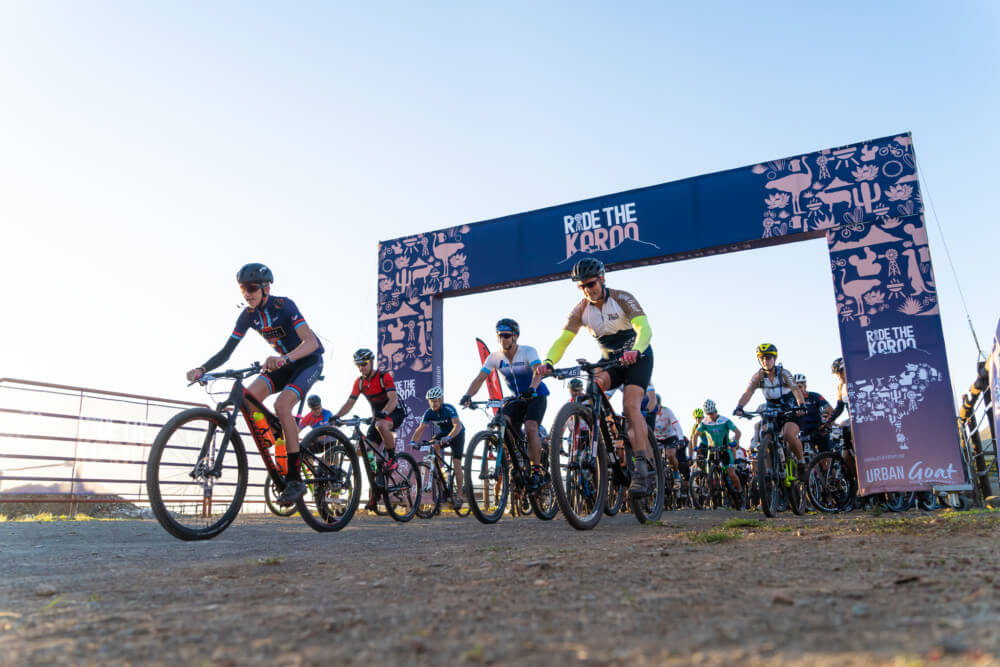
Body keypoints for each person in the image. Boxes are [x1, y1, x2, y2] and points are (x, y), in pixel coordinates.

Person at [186, 263, 323, 506]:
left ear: (266, 288)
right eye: (242, 289)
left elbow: (311, 343)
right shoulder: (248, 316)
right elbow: (227, 351)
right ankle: (281, 435)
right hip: (282, 364)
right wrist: (202, 369)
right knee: (248, 399)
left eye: (251, 288)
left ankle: (294, 480)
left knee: (282, 405)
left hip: (306, 361)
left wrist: (285, 358)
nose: (247, 294)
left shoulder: (284, 306)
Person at [537, 257, 656, 498]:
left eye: (590, 284)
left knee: (630, 405)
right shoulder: (581, 310)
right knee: (593, 390)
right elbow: (563, 340)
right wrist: (549, 361)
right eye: (581, 286)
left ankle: (644, 468)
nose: (587, 290)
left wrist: (637, 349)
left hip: (637, 358)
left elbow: (645, 329)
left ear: (602, 279)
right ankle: (602, 441)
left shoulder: (622, 298)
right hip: (611, 361)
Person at [460, 318, 548, 490]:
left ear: (515, 336)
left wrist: (532, 388)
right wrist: (467, 395)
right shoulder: (494, 358)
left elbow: (538, 372)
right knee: (502, 421)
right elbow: (480, 378)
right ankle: (514, 455)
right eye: (500, 336)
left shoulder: (528, 351)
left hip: (536, 395)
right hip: (517, 398)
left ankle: (537, 471)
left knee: (531, 428)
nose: (503, 340)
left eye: (507, 336)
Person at [733, 343, 808, 477]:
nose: (765, 361)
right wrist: (740, 407)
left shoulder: (784, 374)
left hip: (788, 405)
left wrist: (801, 405)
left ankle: (801, 461)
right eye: (761, 359)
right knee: (764, 436)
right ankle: (768, 471)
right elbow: (748, 392)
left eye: (768, 358)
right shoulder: (758, 377)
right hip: (771, 407)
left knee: (788, 434)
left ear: (774, 359)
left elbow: (796, 390)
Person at [332, 348, 406, 469]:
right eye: (358, 366)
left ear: (371, 362)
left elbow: (393, 399)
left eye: (364, 364)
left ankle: (392, 458)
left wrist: (385, 412)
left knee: (381, 425)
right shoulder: (359, 383)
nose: (361, 368)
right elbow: (349, 403)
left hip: (394, 412)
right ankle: (377, 475)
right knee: (366, 450)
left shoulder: (384, 376)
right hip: (378, 418)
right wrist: (337, 416)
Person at [409, 386, 465, 499]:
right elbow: (420, 429)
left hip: (457, 434)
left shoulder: (449, 409)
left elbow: (457, 426)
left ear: (441, 400)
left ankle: (459, 493)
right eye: (431, 401)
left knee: (456, 463)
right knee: (432, 444)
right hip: (444, 433)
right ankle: (440, 468)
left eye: (435, 401)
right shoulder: (429, 413)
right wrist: (412, 442)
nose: (433, 404)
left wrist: (449, 437)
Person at [692, 399, 743, 498]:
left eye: (712, 413)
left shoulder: (725, 420)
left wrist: (735, 442)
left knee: (731, 473)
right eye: (708, 414)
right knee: (709, 475)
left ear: (715, 411)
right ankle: (714, 497)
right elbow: (695, 435)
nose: (710, 416)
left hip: (725, 450)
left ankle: (740, 491)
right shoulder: (704, 422)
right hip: (712, 451)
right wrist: (695, 446)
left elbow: (738, 432)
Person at [826, 357, 856, 473]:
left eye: (840, 372)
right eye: (836, 374)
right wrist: (828, 420)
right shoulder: (840, 386)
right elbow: (839, 407)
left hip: (862, 419)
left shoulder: (856, 380)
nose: (839, 376)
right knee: (846, 455)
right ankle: (857, 480)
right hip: (851, 419)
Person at [793, 373, 833, 454]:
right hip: (802, 431)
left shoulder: (815, 396)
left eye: (800, 387)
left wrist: (828, 422)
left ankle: (826, 465)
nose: (798, 390)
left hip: (817, 429)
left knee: (824, 456)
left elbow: (829, 409)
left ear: (805, 386)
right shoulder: (792, 400)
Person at [652, 397, 686, 488]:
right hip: (657, 438)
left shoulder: (667, 411)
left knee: (670, 455)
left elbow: (676, 425)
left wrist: (681, 438)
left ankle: (676, 475)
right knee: (652, 459)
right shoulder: (649, 413)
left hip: (670, 436)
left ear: (659, 405)